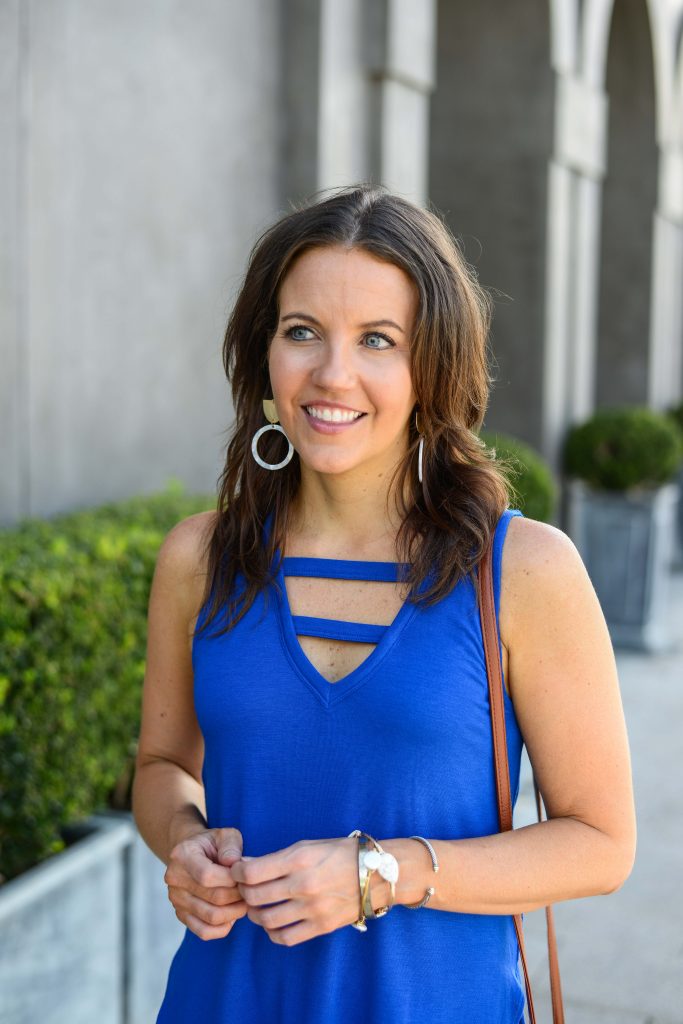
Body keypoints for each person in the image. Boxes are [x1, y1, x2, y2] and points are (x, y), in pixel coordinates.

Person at [132, 184, 636, 1024]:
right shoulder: (200, 557)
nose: (332, 375)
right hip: (224, 1002)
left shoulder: (521, 571)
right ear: (263, 352)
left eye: (377, 340)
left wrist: (382, 874)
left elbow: (601, 844)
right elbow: (161, 769)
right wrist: (184, 840)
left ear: (431, 365)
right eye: (302, 333)